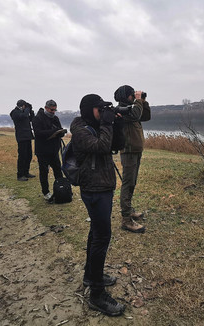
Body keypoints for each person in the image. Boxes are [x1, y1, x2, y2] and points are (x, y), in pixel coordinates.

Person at [70, 94, 125, 316]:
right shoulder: (81, 130)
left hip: (103, 185)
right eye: (99, 109)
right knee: (102, 237)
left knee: (96, 232)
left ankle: (90, 275)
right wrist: (107, 122)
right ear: (89, 110)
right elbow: (102, 147)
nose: (102, 113)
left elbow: (117, 145)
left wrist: (117, 124)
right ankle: (96, 294)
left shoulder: (98, 124)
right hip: (93, 188)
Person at [114, 85, 151, 233]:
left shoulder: (133, 107)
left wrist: (143, 101)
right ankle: (126, 219)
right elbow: (136, 115)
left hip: (136, 150)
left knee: (132, 182)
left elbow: (146, 116)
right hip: (128, 151)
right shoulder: (121, 110)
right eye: (132, 95)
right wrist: (137, 101)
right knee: (127, 183)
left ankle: (129, 211)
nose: (133, 97)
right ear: (125, 96)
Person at [32, 99, 66, 200]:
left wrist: (61, 132)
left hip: (54, 150)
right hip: (42, 151)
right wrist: (53, 132)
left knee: (58, 171)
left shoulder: (55, 118)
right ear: (46, 108)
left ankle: (61, 190)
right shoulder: (37, 118)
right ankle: (46, 192)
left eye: (55, 110)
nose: (53, 112)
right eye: (51, 110)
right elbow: (38, 133)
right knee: (44, 172)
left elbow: (59, 129)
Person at [10, 99, 35, 181]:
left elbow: (32, 119)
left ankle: (26, 172)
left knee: (28, 156)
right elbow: (23, 116)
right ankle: (20, 175)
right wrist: (27, 109)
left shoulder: (24, 112)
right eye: (25, 106)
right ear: (22, 106)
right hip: (21, 137)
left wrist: (31, 111)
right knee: (22, 156)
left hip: (27, 136)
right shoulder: (15, 112)